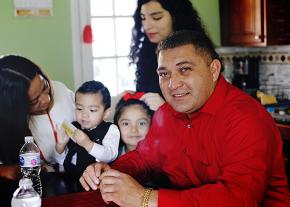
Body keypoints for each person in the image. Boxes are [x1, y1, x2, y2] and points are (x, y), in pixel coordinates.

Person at [80, 30, 290, 207]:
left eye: (184, 69)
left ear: (214, 70)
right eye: (164, 74)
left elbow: (238, 199)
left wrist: (143, 198)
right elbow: (145, 158)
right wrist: (111, 171)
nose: (172, 84)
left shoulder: (246, 119)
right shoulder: (167, 113)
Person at [0, 55, 75, 179]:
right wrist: (7, 171)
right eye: (34, 101)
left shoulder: (61, 90)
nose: (47, 99)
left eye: (45, 87)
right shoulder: (7, 125)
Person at [129, 0, 207, 111]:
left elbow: (199, 110)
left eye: (156, 17)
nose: (147, 26)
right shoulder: (146, 53)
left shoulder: (195, 53)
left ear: (176, 17)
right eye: (143, 18)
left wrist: (165, 108)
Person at [56, 80, 120, 180]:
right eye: (79, 109)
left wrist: (87, 144)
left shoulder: (110, 129)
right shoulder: (74, 126)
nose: (84, 115)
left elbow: (110, 155)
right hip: (69, 177)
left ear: (106, 113)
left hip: (94, 181)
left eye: (92, 110)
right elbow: (62, 157)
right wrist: (61, 145)